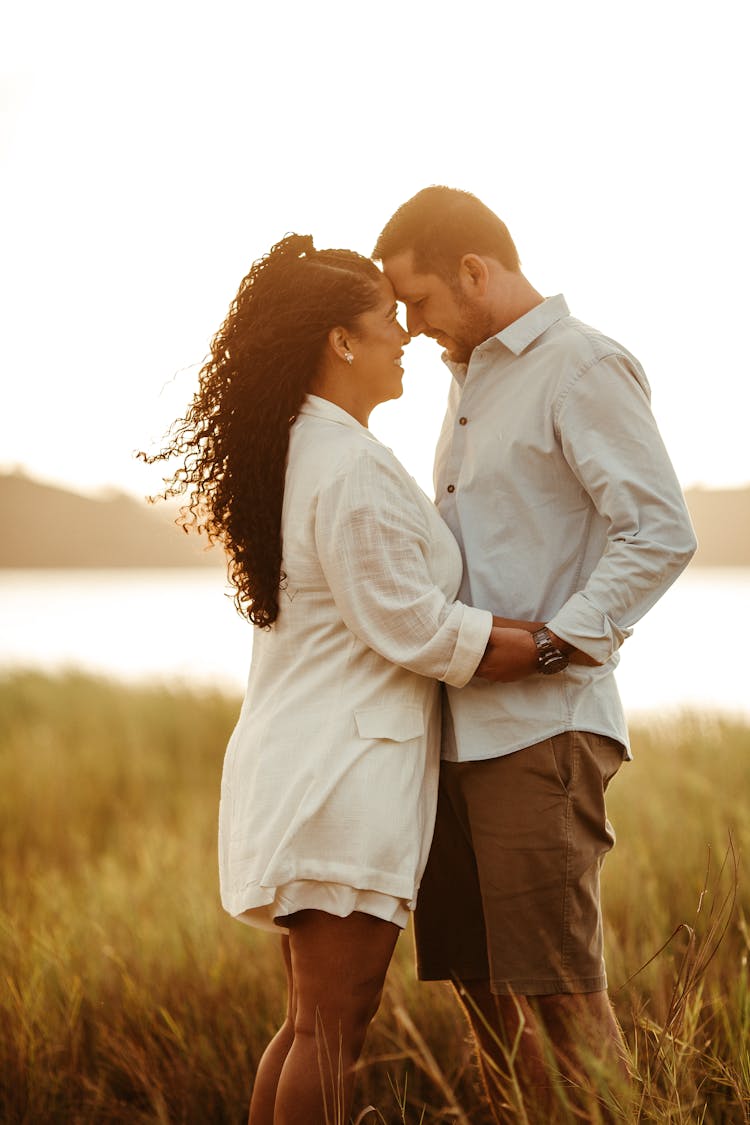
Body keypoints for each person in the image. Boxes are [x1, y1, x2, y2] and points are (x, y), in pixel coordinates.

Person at [142, 233, 562, 1125]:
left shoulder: (313, 448)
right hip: (340, 778)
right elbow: (410, 624)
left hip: (312, 766)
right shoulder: (342, 465)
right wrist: (552, 644)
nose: (404, 334)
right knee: (333, 1027)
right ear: (340, 341)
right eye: (385, 320)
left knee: (309, 1025)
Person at [374, 187, 697, 1121]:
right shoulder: (468, 377)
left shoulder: (580, 365)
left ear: (475, 272)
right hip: (455, 738)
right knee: (484, 995)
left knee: (561, 990)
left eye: (420, 299)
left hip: (541, 732)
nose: (411, 324)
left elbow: (660, 532)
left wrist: (557, 644)